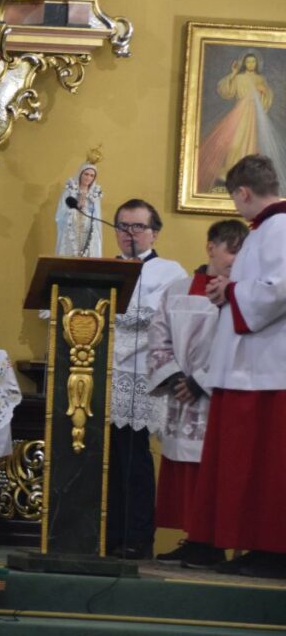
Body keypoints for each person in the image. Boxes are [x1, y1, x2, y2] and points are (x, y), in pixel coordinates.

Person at [185, 154, 286, 578]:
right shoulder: (264, 230)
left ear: (243, 193)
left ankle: (271, 551)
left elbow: (279, 289)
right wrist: (229, 290)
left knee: (265, 465)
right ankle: (240, 545)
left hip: (266, 368)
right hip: (248, 367)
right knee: (242, 464)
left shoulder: (280, 228)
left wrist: (231, 292)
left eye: (233, 199)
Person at [148, 219, 248, 566]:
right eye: (231, 251)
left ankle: (212, 541)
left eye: (242, 253)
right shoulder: (177, 290)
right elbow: (158, 335)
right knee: (184, 469)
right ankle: (194, 537)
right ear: (211, 247)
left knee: (215, 469)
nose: (235, 260)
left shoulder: (240, 296)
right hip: (181, 395)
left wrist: (200, 381)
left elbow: (239, 346)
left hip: (217, 395)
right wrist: (175, 376)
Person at [106, 199, 187, 559]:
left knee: (133, 458)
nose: (130, 233)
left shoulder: (170, 272)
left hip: (141, 374)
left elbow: (156, 316)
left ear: (154, 233)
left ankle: (137, 538)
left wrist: (117, 315)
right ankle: (107, 534)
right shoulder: (105, 269)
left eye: (138, 226)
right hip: (105, 372)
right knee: (106, 460)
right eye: (123, 226)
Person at [197, 52, 286, 193]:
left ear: (257, 64)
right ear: (244, 63)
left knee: (251, 144)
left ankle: (245, 175)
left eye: (253, 62)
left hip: (254, 114)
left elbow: (266, 98)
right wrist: (233, 73)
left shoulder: (260, 79)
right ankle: (232, 171)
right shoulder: (239, 77)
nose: (251, 64)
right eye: (248, 61)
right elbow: (226, 91)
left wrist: (264, 92)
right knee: (234, 143)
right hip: (240, 112)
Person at [55, 161, 103, 258]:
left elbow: (96, 216)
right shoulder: (70, 190)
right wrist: (75, 210)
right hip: (72, 230)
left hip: (88, 231)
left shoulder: (94, 194)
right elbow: (61, 213)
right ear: (80, 174)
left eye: (92, 175)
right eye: (86, 174)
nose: (88, 178)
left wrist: (87, 214)